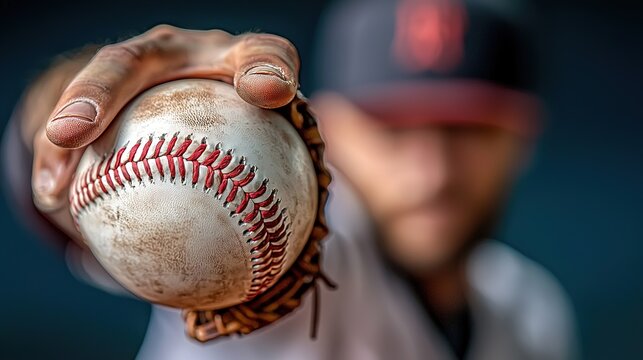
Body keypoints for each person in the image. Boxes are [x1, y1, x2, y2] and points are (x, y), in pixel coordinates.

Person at [3, 0, 578, 359]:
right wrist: (73, 118)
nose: (433, 170)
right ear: (334, 127)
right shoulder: (302, 251)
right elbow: (210, 237)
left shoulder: (532, 312)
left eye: (468, 129)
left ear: (523, 137)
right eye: (391, 129)